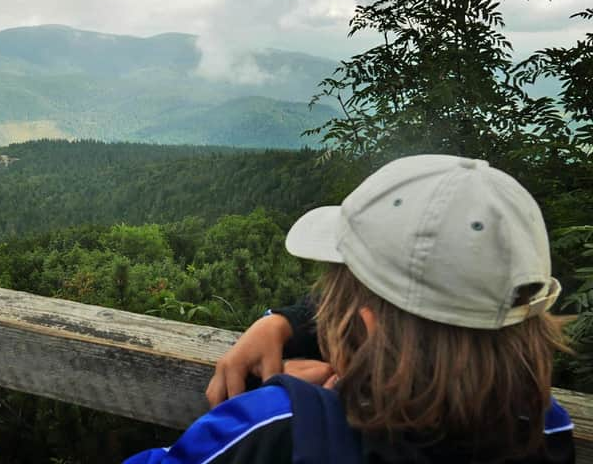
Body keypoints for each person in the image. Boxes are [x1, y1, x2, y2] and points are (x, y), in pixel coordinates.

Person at [125, 155, 575, 464]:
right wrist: (286, 325)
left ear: (371, 331)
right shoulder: (543, 426)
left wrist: (301, 400)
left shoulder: (278, 429)